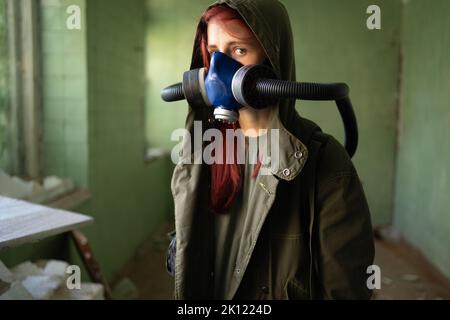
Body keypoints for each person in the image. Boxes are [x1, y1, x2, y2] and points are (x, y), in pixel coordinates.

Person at [169, 0, 375, 300]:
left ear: (273, 61)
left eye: (239, 50)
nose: (217, 71)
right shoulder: (206, 147)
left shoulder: (326, 161)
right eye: (214, 53)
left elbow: (345, 290)